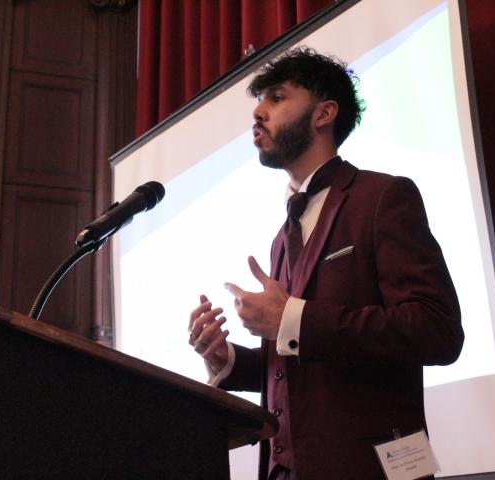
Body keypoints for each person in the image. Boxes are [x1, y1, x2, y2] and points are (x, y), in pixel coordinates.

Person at [187, 47, 464, 480]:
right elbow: (296, 364)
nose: (258, 113)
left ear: (324, 113)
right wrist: (226, 360)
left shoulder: (383, 198)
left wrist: (293, 318)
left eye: (276, 98)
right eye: (260, 101)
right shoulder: (282, 239)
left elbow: (437, 331)